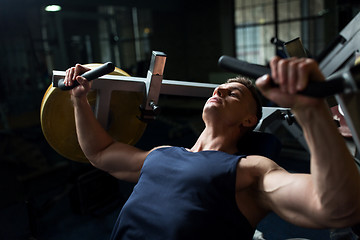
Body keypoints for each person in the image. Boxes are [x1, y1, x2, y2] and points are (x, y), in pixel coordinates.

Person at [64, 56, 360, 240]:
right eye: (219, 89)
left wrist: (310, 110)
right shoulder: (162, 153)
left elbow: (337, 208)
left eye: (233, 93)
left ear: (250, 119)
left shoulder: (250, 170)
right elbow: (100, 153)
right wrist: (79, 99)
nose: (218, 90)